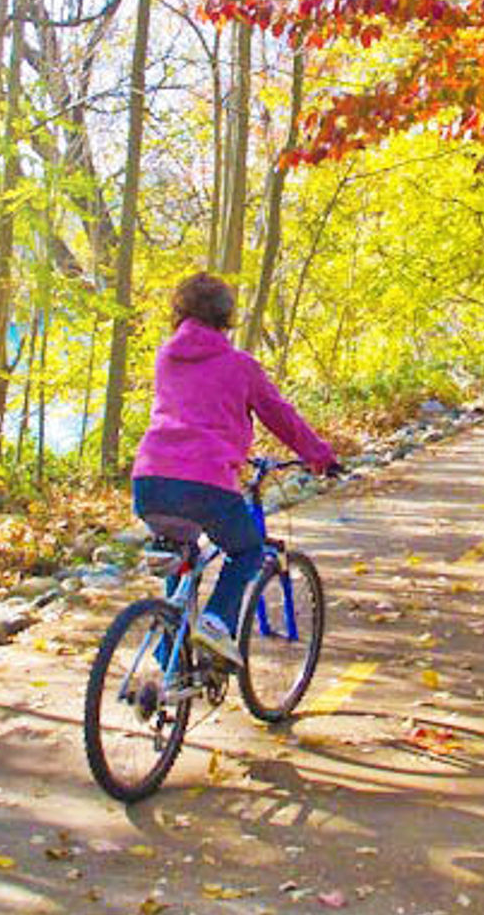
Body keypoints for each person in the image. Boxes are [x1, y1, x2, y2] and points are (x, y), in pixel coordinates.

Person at [132, 272, 340, 666]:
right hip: (206, 482)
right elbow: (281, 417)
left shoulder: (165, 357)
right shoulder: (240, 366)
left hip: (150, 480)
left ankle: (170, 665)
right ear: (227, 317)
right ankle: (214, 624)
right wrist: (321, 456)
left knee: (181, 555)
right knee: (247, 551)